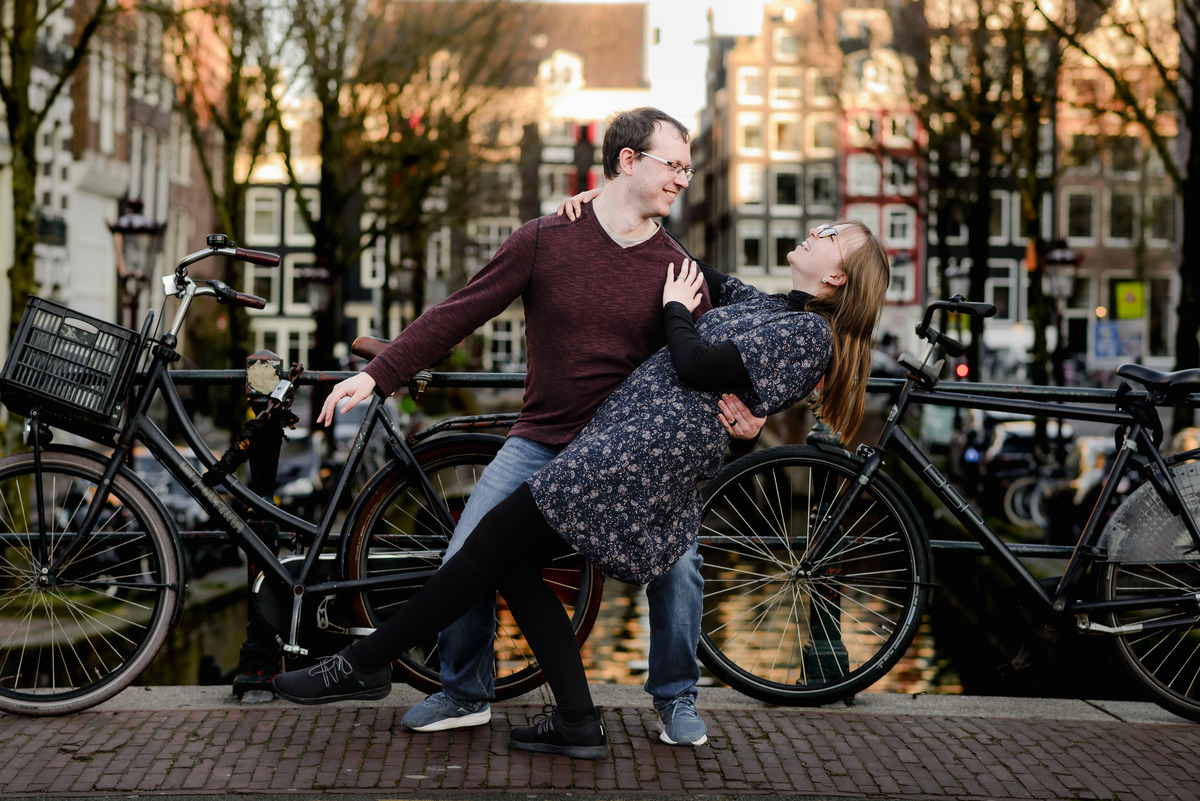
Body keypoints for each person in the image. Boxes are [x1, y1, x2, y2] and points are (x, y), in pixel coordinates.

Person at [274, 219, 892, 761]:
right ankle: (575, 720)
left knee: (488, 545)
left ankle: (363, 663)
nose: (817, 231)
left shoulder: (810, 336)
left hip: (635, 459)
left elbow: (696, 366)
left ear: (839, 277)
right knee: (512, 567)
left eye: (831, 236)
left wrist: (677, 310)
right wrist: (607, 208)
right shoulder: (779, 310)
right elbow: (700, 270)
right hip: (626, 446)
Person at [293, 106, 762, 748]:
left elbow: (725, 350)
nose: (683, 179)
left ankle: (675, 697)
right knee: (466, 552)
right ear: (628, 161)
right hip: (542, 437)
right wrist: (379, 376)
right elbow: (461, 311)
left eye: (688, 167)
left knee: (678, 565)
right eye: (673, 165)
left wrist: (752, 412)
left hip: (625, 456)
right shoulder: (546, 237)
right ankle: (464, 691)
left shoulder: (678, 270)